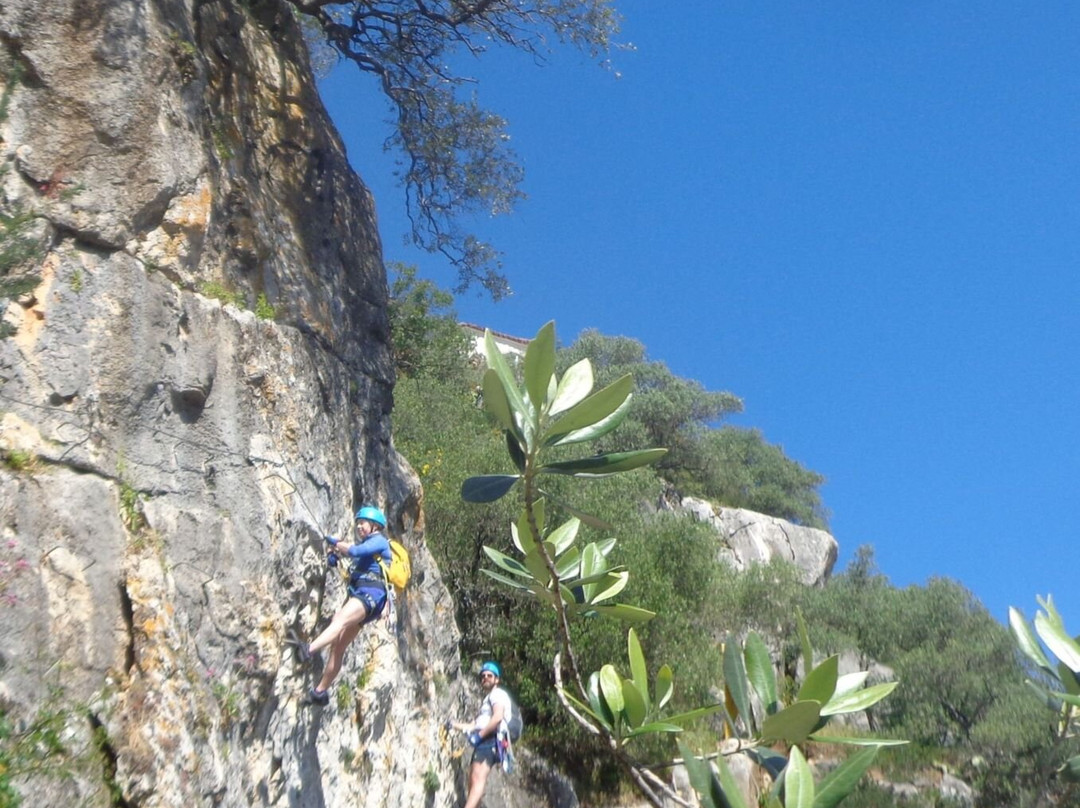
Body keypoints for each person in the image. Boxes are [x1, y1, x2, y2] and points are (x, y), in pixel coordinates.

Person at [298, 505, 391, 706]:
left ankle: (308, 649)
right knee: (338, 647)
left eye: (363, 523)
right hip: (367, 597)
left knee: (339, 620)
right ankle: (320, 692)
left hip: (370, 594)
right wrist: (335, 557)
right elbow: (353, 560)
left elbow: (355, 550)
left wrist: (337, 543)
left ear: (375, 526)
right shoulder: (369, 551)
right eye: (357, 523)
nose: (359, 527)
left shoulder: (379, 542)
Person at [453, 660, 514, 808]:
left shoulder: (497, 694)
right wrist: (454, 725)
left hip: (491, 739)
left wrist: (480, 735)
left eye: (489, 675)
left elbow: (498, 716)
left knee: (478, 778)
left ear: (496, 679)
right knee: (473, 779)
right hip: (486, 740)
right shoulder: (488, 699)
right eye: (483, 676)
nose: (485, 678)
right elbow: (475, 724)